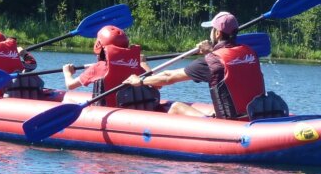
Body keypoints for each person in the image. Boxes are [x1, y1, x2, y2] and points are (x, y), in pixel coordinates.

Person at [124, 11, 265, 119]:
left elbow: (169, 77)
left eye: (211, 29)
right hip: (254, 116)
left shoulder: (211, 61)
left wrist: (140, 80)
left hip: (231, 123)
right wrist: (210, 51)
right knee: (212, 111)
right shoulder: (250, 54)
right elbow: (228, 63)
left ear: (216, 33)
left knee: (176, 107)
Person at [62, 25, 157, 109]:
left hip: (105, 111)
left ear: (98, 46)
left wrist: (67, 73)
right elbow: (157, 84)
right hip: (130, 110)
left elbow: (70, 85)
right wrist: (143, 63)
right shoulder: (135, 66)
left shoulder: (97, 67)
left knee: (67, 101)